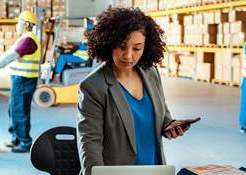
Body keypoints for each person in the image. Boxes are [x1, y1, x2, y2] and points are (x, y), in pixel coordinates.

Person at [76, 8, 196, 175]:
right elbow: (90, 143)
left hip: (155, 169)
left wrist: (169, 125)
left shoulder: (151, 72)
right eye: (121, 47)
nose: (129, 55)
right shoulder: (93, 87)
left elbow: (162, 113)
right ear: (108, 43)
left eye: (137, 48)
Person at [0, 11, 41, 153]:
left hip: (24, 79)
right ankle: (16, 138)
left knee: (19, 110)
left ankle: (25, 142)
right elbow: (8, 54)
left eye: (19, 21)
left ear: (26, 24)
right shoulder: (24, 38)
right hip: (20, 79)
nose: (16, 25)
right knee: (13, 109)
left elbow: (10, 56)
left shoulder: (28, 40)